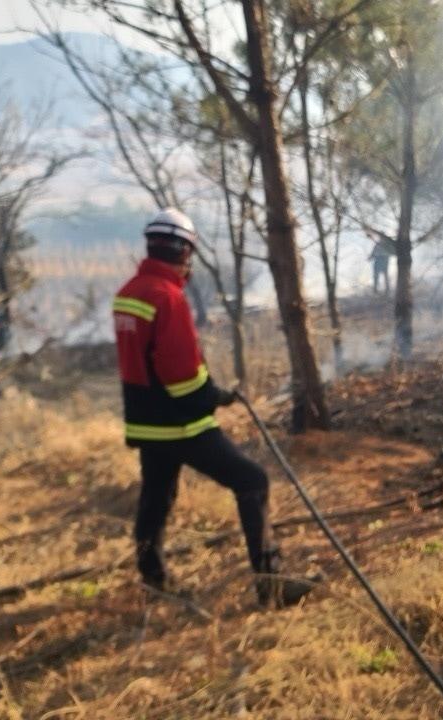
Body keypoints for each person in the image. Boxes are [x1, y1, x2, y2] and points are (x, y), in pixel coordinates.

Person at [113, 207, 316, 607]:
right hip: (182, 423)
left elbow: (145, 361)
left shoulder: (128, 294)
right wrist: (215, 396)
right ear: (183, 251)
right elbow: (180, 373)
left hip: (147, 422)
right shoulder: (167, 297)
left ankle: (153, 577)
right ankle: (271, 585)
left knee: (156, 495)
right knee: (252, 480)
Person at [368, 231, 395, 295]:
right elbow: (374, 252)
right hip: (377, 260)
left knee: (385, 275)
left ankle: (387, 290)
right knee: (376, 275)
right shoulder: (377, 244)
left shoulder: (387, 245)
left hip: (384, 260)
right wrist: (371, 257)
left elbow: (392, 252)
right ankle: (375, 290)